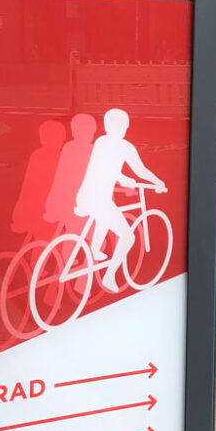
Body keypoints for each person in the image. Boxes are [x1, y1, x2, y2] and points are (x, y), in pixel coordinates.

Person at [74, 108, 166, 293]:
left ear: (107, 126)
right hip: (99, 199)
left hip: (85, 196)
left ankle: (94, 250)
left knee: (105, 217)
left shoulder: (101, 142)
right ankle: (109, 276)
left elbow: (103, 166)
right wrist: (158, 182)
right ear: (125, 127)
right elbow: (140, 170)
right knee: (128, 236)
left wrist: (122, 178)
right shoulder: (124, 146)